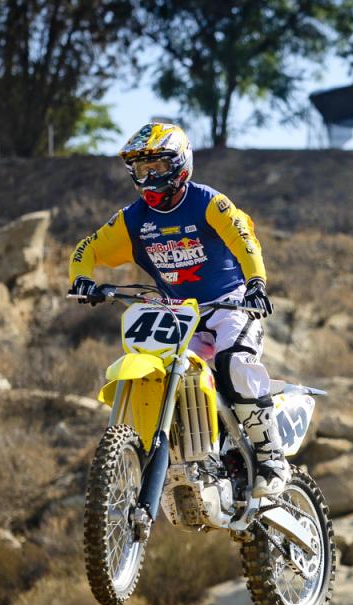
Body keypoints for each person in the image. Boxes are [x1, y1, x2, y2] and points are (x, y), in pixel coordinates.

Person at [67, 122, 291, 497]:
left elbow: (245, 240)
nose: (149, 177)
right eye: (141, 169)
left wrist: (256, 284)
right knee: (167, 372)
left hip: (230, 304)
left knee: (233, 362)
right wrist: (82, 280)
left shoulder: (208, 202)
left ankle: (271, 457)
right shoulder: (133, 219)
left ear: (181, 163)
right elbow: (85, 249)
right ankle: (186, 454)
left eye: (157, 166)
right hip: (179, 314)